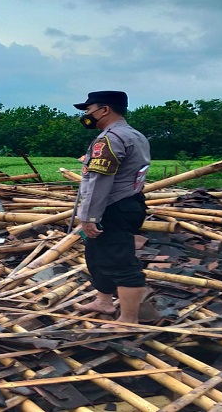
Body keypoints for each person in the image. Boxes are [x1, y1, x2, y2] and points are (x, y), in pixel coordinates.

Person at [72, 91, 151, 327]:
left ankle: (128, 319)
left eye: (89, 110)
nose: (87, 115)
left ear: (104, 110)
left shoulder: (110, 138)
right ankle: (103, 301)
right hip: (129, 202)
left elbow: (99, 180)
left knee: (119, 260)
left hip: (112, 206)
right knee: (97, 254)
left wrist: (89, 217)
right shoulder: (134, 135)